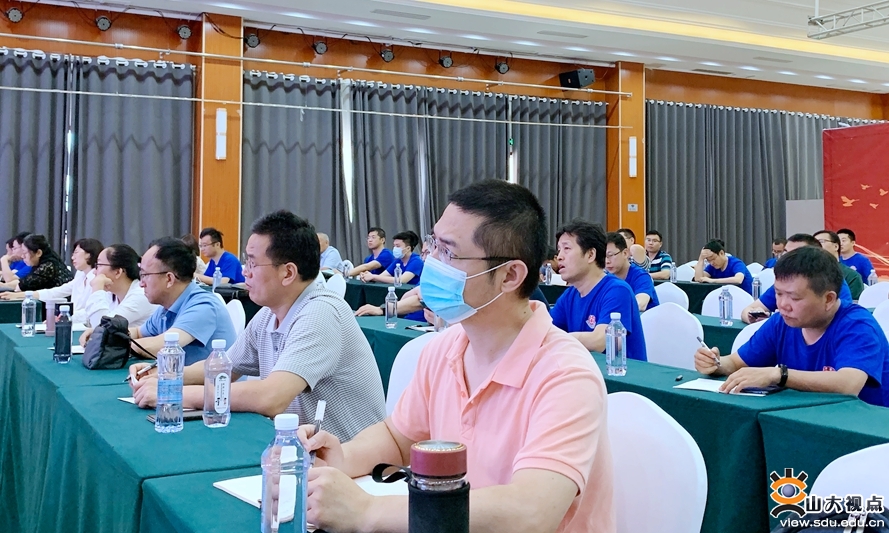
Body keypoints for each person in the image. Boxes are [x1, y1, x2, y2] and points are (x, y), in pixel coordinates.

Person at [300, 180, 615, 533]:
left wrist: (367, 510)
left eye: (448, 253)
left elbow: (530, 512)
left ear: (510, 275)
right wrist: (343, 457)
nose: (431, 262)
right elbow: (397, 438)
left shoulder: (565, 374)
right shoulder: (445, 348)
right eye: (434, 244)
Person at [128, 211, 386, 440]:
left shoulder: (321, 313)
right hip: (297, 449)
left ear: (288, 273)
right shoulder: (268, 315)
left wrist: (173, 393)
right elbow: (223, 369)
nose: (245, 272)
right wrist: (164, 375)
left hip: (347, 461)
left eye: (252, 263)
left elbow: (271, 397)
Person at [695, 247, 889, 407]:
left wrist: (780, 375)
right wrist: (716, 364)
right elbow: (736, 362)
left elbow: (849, 384)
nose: (782, 305)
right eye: (778, 294)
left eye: (794, 298)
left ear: (829, 299)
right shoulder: (782, 322)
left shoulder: (857, 325)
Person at [122, 237, 237, 365]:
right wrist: (112, 334)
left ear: (169, 279)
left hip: (215, 378)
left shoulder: (204, 306)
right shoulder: (167, 307)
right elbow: (139, 333)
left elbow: (163, 346)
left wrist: (115, 346)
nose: (141, 283)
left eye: (145, 275)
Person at [550, 221, 647, 361]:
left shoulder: (618, 290)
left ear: (590, 255)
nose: (559, 256)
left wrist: (557, 340)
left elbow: (600, 341)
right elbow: (546, 331)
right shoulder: (570, 295)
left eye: (567, 248)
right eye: (559, 250)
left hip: (621, 373)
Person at [742, 234, 853, 324]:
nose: (783, 304)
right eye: (786, 253)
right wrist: (754, 318)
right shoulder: (784, 288)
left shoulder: (833, 284)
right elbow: (748, 310)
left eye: (795, 298)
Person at [0, 238, 104, 325]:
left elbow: (90, 311)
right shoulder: (81, 274)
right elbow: (56, 291)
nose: (72, 257)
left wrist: (63, 318)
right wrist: (22, 295)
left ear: (89, 254)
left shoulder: (98, 279)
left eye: (76, 253)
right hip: (74, 322)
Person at [79, 244, 157, 337]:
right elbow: (89, 316)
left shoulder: (140, 295)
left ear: (117, 272)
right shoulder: (112, 294)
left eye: (99, 265)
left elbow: (101, 329)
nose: (94, 272)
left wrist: (97, 289)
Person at [605, 232, 659, 312]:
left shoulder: (641, 276)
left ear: (625, 253)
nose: (606, 261)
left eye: (610, 255)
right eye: (602, 257)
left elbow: (641, 304)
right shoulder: (606, 277)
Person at [3, 235, 74, 292]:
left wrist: (3, 260)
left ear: (38, 253)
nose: (22, 256)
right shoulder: (41, 263)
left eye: (25, 253)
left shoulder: (48, 266)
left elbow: (22, 286)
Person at [814, 230, 865, 300]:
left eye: (821, 241)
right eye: (814, 243)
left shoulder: (851, 276)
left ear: (836, 246)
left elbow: (852, 304)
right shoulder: (809, 273)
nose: (816, 246)